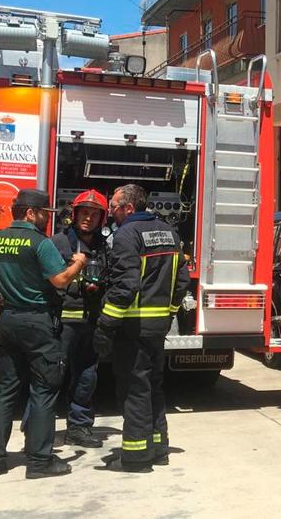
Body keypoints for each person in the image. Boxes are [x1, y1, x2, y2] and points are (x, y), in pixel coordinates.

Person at [0, 188, 86, 479]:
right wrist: (78, 263)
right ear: (30, 213)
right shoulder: (41, 243)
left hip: (8, 322)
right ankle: (39, 462)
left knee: (5, 391)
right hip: (38, 322)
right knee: (43, 389)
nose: (46, 219)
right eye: (43, 214)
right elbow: (61, 281)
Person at [93, 184, 189, 473]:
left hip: (133, 328)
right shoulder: (169, 232)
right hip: (158, 328)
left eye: (113, 206)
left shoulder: (126, 235)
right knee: (153, 389)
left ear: (129, 208)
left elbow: (126, 286)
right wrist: (169, 314)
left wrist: (105, 325)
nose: (109, 211)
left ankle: (136, 458)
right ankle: (158, 449)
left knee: (134, 391)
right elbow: (181, 281)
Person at [51, 189, 109, 448]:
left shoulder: (104, 246)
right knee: (51, 374)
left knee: (87, 376)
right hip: (61, 323)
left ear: (101, 219)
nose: (88, 218)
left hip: (90, 323)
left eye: (94, 214)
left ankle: (79, 427)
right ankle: (37, 426)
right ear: (74, 215)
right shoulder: (57, 243)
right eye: (84, 212)